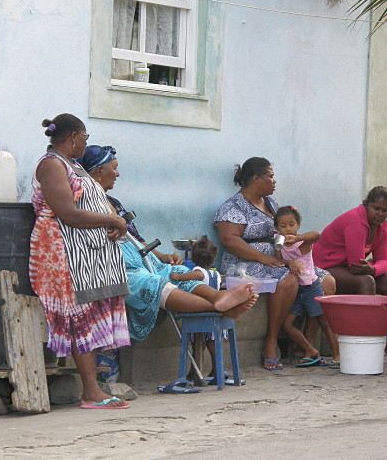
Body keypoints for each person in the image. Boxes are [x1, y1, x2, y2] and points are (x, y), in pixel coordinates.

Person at [80, 146, 258, 346]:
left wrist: (161, 256)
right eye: (114, 168)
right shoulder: (85, 203)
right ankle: (222, 307)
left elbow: (135, 238)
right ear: (99, 171)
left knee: (177, 271)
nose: (117, 173)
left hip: (138, 256)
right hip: (114, 263)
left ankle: (218, 297)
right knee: (151, 282)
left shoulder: (114, 202)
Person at [29, 115, 131, 409]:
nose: (86, 143)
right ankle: (89, 392)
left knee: (89, 312)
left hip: (85, 251)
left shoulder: (72, 165)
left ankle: (93, 389)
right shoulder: (51, 164)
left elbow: (87, 206)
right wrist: (112, 219)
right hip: (60, 249)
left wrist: (111, 223)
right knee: (77, 317)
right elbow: (67, 212)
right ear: (73, 137)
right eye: (85, 138)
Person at [214, 157, 336, 371]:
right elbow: (229, 240)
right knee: (288, 281)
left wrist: (290, 252)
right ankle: (271, 342)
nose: (274, 181)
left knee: (327, 281)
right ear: (256, 178)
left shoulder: (272, 204)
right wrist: (264, 258)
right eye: (270, 176)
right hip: (245, 263)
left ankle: (304, 346)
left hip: (279, 259)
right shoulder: (233, 207)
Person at [312, 186, 387, 354]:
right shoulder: (356, 221)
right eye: (376, 208)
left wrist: (373, 269)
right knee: (366, 281)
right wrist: (371, 269)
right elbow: (356, 264)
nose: (380, 214)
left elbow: (384, 260)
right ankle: (363, 340)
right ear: (366, 205)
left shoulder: (382, 228)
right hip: (324, 266)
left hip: (347, 267)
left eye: (385, 210)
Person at [274, 206, 340, 368]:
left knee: (323, 321)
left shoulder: (303, 241)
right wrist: (288, 263)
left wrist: (296, 239)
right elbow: (278, 261)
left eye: (291, 224)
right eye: (283, 226)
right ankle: (309, 350)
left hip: (312, 287)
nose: (288, 229)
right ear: (277, 228)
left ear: (298, 225)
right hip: (295, 290)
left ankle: (338, 355)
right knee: (287, 325)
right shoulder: (278, 242)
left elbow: (317, 235)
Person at [170, 236, 227, 381]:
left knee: (198, 346)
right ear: (213, 260)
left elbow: (186, 277)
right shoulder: (216, 274)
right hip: (215, 315)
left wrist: (176, 275)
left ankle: (195, 371)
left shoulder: (198, 273)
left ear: (193, 260)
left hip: (201, 314)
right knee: (213, 345)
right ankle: (217, 370)